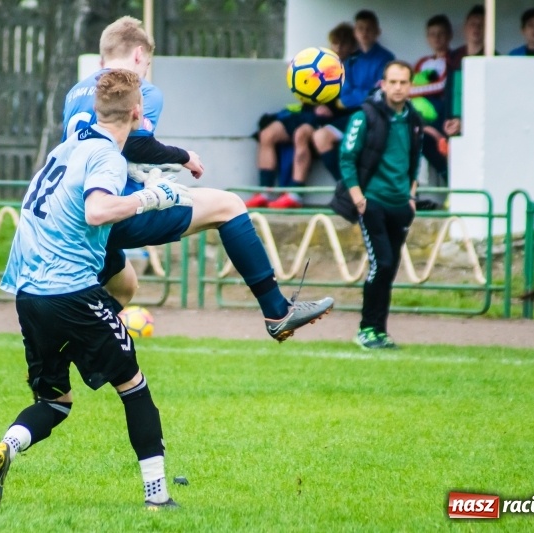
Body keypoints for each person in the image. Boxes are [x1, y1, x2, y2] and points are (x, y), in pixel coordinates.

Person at [0, 69, 187, 509]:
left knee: (55, 402)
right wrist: (152, 197)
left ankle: (6, 447)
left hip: (30, 295)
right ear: (136, 113)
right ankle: (157, 496)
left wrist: (143, 184)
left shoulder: (66, 149)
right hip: (71, 290)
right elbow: (97, 211)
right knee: (134, 388)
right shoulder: (106, 156)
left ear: (95, 109)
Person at [63, 16, 334, 342]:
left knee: (124, 286)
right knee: (229, 205)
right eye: (147, 63)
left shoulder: (76, 92)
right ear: (138, 55)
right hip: (113, 211)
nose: (145, 70)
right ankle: (278, 311)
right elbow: (135, 143)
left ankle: (70, 345)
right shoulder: (139, 90)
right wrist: (182, 156)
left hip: (73, 211)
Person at [330, 61, 423, 350]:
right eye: (392, 82)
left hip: (400, 204)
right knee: (380, 264)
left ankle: (380, 331)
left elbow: (414, 160)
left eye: (403, 82)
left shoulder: (414, 119)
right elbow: (347, 157)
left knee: (390, 268)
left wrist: (411, 197)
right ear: (382, 84)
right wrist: (358, 197)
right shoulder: (365, 115)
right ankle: (366, 329)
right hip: (372, 202)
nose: (398, 88)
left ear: (410, 86)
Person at [247, 22, 357, 209]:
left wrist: (333, 108)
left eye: (343, 44)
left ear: (351, 47)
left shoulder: (351, 68)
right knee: (267, 134)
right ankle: (264, 192)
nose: (338, 48)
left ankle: (295, 194)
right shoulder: (317, 64)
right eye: (335, 43)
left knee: (301, 134)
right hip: (306, 113)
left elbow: (353, 99)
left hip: (328, 119)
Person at [312, 10, 395, 182]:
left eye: (369, 29)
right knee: (320, 137)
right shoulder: (349, 61)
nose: (364, 33)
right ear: (355, 32)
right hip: (352, 115)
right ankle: (346, 186)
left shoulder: (386, 59)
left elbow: (379, 93)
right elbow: (344, 96)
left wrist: (358, 94)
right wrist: (362, 93)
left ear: (377, 31)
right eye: (360, 28)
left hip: (375, 115)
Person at [409, 14, 452, 197]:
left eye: (441, 34)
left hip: (441, 111)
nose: (437, 38)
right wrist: (414, 91)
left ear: (449, 36)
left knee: (429, 140)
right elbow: (410, 84)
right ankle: (411, 190)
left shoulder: (451, 59)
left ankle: (451, 182)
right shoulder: (422, 62)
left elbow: (442, 85)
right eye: (432, 34)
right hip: (419, 112)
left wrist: (414, 91)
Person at [443, 5, 487, 137]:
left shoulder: (493, 58)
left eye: (481, 25)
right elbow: (449, 92)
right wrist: (450, 119)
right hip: (453, 122)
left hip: (480, 124)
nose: (476, 28)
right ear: (465, 28)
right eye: (473, 24)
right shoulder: (454, 57)